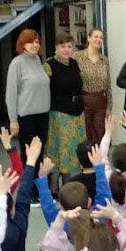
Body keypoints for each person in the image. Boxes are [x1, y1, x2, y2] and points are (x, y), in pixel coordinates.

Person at [45, 33, 86, 176]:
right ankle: (56, 184)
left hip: (77, 113)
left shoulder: (74, 63)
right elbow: (45, 91)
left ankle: (74, 181)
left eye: (69, 46)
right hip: (60, 115)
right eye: (63, 46)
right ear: (56, 47)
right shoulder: (49, 65)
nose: (66, 49)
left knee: (76, 149)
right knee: (62, 150)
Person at [6, 29, 51, 156]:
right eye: (30, 42)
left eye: (37, 42)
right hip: (27, 118)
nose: (35, 45)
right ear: (23, 44)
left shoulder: (37, 60)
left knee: (40, 155)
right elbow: (11, 94)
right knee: (29, 156)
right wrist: (13, 120)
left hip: (43, 116)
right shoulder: (17, 63)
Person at [74, 28, 111, 142]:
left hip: (101, 101)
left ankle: (99, 154)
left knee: (100, 135)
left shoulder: (104, 60)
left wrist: (109, 106)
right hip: (84, 101)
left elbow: (108, 84)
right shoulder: (77, 56)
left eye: (101, 38)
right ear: (89, 38)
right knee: (84, 135)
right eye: (96, 36)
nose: (99, 39)